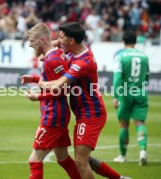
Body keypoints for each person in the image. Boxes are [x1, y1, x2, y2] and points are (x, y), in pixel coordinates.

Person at [39, 22, 130, 179]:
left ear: (72, 41)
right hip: (83, 113)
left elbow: (59, 84)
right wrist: (54, 44)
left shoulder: (83, 62)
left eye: (61, 38)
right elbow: (45, 52)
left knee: (81, 162)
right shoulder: (74, 49)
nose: (58, 41)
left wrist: (40, 83)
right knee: (84, 159)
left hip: (91, 114)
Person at [20, 23, 81, 179]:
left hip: (53, 116)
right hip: (58, 114)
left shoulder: (52, 60)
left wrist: (38, 97)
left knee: (34, 160)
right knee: (63, 158)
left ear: (42, 40)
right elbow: (54, 81)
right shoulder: (53, 56)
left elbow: (64, 89)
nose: (30, 44)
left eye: (32, 40)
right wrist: (33, 79)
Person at [112, 31, 149, 166]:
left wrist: (115, 96)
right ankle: (143, 151)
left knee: (123, 124)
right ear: (135, 41)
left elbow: (117, 79)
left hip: (126, 93)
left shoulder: (120, 56)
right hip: (140, 91)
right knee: (140, 123)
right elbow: (147, 77)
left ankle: (122, 155)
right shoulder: (144, 56)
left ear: (123, 41)